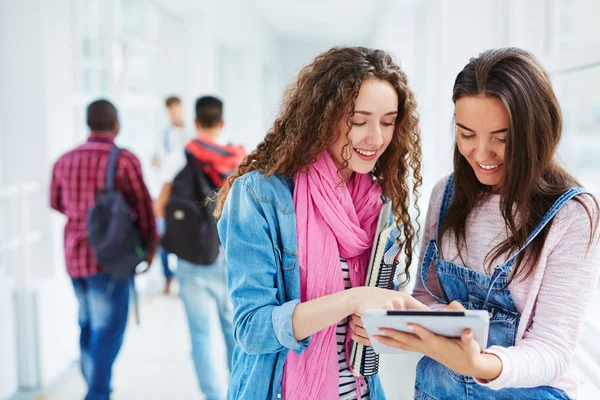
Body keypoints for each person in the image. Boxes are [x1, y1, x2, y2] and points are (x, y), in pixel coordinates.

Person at [352, 48, 600, 399]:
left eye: (502, 138)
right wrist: (396, 324)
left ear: (538, 132)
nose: (482, 155)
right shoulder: (446, 194)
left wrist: (477, 364)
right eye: (467, 134)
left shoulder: (572, 214)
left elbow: (552, 350)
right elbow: (428, 299)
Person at [215, 46, 427, 400]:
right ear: (322, 117)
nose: (376, 137)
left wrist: (380, 322)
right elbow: (252, 329)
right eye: (359, 120)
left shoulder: (377, 202)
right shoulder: (259, 196)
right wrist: (354, 300)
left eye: (387, 122)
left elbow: (374, 304)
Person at [50, 99, 157, 400]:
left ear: (88, 124)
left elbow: (56, 202)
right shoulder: (123, 160)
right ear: (116, 125)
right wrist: (149, 245)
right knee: (108, 330)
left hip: (74, 257)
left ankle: (95, 384)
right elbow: (143, 206)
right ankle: (97, 393)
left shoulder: (64, 160)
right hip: (109, 260)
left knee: (87, 322)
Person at [155, 95, 245, 400]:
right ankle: (240, 391)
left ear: (195, 123)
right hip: (232, 255)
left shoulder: (180, 157)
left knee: (200, 334)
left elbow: (161, 207)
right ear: (222, 123)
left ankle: (213, 396)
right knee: (235, 330)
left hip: (193, 257)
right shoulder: (240, 158)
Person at [153, 96, 189, 293]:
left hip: (185, 191)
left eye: (176, 110)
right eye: (170, 111)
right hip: (167, 189)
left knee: (185, 234)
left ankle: (184, 277)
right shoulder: (163, 135)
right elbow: (158, 159)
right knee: (163, 236)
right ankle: (168, 278)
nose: (173, 114)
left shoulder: (191, 132)